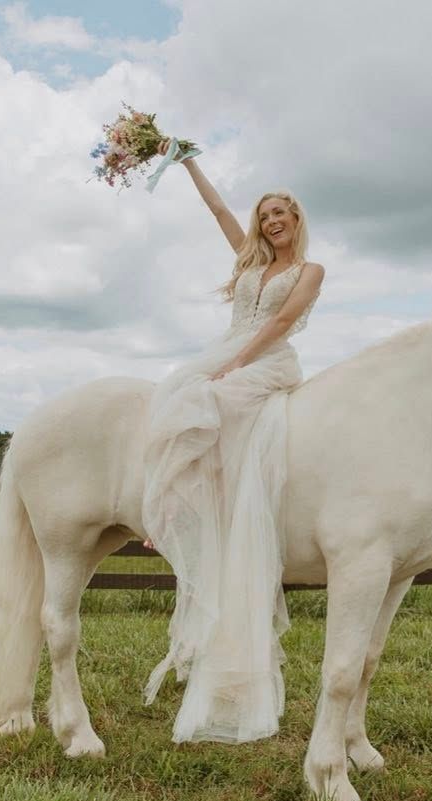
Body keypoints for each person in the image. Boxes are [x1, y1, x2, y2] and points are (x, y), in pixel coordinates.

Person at [140, 138, 325, 744]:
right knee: (174, 397)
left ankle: (169, 500)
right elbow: (219, 211)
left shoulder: (308, 271)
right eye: (264, 215)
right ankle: (169, 500)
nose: (272, 222)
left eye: (281, 214)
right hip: (229, 350)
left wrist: (234, 365)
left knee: (210, 401)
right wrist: (187, 160)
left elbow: (276, 324)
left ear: (296, 221)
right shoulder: (249, 260)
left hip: (267, 360)